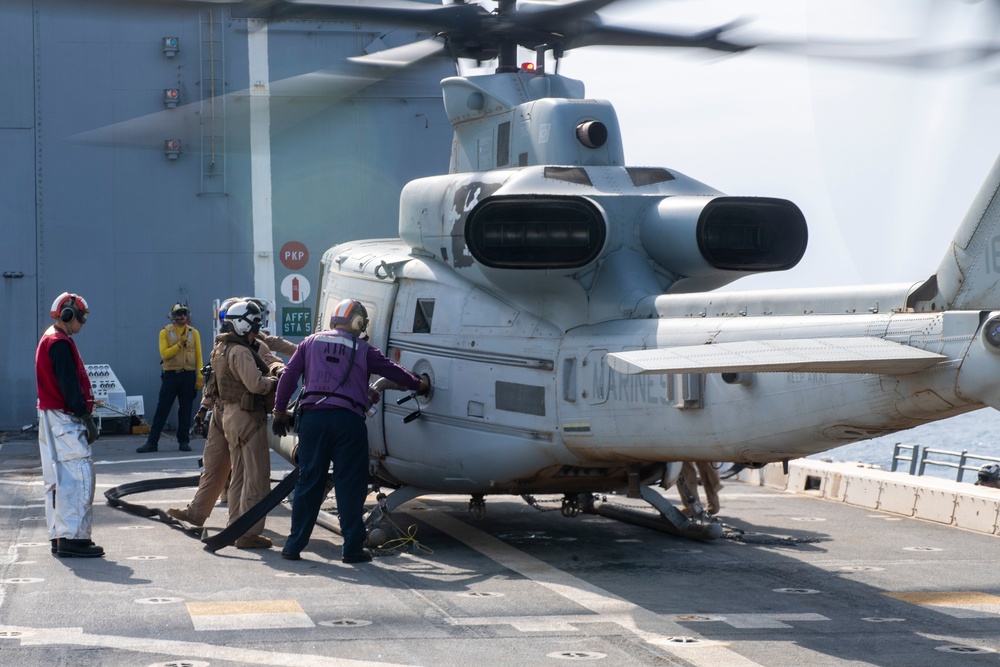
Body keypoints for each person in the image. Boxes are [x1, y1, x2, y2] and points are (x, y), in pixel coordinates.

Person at [273, 298, 430, 563]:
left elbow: (289, 375)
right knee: (350, 484)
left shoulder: (310, 342)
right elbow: (394, 372)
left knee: (309, 481)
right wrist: (419, 386)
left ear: (333, 319)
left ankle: (293, 545)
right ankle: (352, 549)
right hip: (348, 422)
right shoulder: (363, 349)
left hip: (313, 420)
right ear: (358, 323)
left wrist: (279, 411)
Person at [167, 298, 296, 528]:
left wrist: (286, 368)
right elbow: (215, 379)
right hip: (222, 410)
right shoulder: (226, 346)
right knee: (215, 467)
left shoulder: (253, 344)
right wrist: (205, 406)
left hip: (235, 411)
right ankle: (198, 514)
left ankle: (240, 525)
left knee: (243, 473)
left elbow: (272, 360)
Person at [208, 299, 281, 549]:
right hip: (248, 418)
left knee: (238, 475)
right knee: (258, 478)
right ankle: (248, 534)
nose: (256, 332)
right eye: (253, 326)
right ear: (241, 325)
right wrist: (274, 382)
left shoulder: (220, 349)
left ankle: (235, 526)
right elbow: (256, 385)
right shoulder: (240, 351)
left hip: (230, 417)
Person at [35, 292, 104, 558]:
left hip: (52, 416)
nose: (83, 323)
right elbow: (68, 384)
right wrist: (85, 417)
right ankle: (74, 538)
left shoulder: (50, 338)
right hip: (65, 417)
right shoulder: (60, 342)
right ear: (68, 314)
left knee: (57, 480)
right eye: (82, 318)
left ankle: (60, 535)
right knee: (79, 475)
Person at [138, 303, 204, 453]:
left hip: (188, 375)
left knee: (186, 410)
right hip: (171, 375)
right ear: (173, 316)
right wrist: (179, 344)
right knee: (163, 408)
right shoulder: (165, 332)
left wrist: (199, 376)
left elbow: (199, 355)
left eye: (184, 313)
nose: (181, 316)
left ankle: (184, 441)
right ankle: (152, 442)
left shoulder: (194, 333)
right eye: (178, 313)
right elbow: (165, 354)